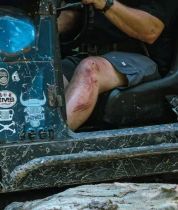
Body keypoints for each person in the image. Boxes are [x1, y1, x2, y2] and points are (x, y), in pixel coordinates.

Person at [59, 0, 178, 131]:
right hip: (88, 54)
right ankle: (36, 140)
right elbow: (73, 17)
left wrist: (105, 3)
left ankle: (51, 144)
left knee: (90, 71)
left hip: (142, 59)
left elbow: (150, 30)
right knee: (46, 75)